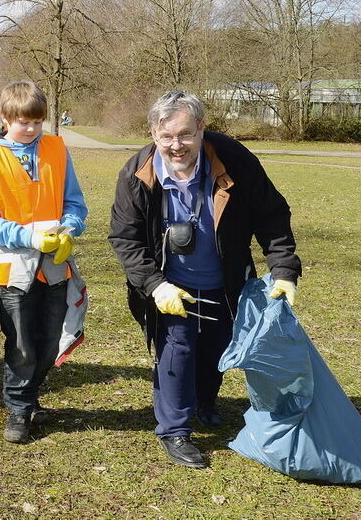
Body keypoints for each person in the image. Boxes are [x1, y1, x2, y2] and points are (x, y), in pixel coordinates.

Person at [108, 90, 301, 468]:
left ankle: (205, 402)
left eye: (185, 134)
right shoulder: (137, 173)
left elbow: (271, 214)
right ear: (152, 133)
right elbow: (124, 237)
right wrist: (155, 284)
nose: (176, 145)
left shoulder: (235, 160)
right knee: (176, 352)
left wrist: (284, 269)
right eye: (166, 137)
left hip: (225, 281)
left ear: (201, 128)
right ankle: (174, 430)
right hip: (169, 284)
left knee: (216, 349)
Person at [0, 80, 89, 443]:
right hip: (12, 267)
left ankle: (30, 395)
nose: (32, 129)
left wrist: (70, 228)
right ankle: (19, 407)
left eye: (38, 122)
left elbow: (75, 202)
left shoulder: (56, 150)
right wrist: (29, 237)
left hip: (54, 265)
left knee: (51, 339)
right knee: (21, 342)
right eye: (24, 122)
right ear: (6, 118)